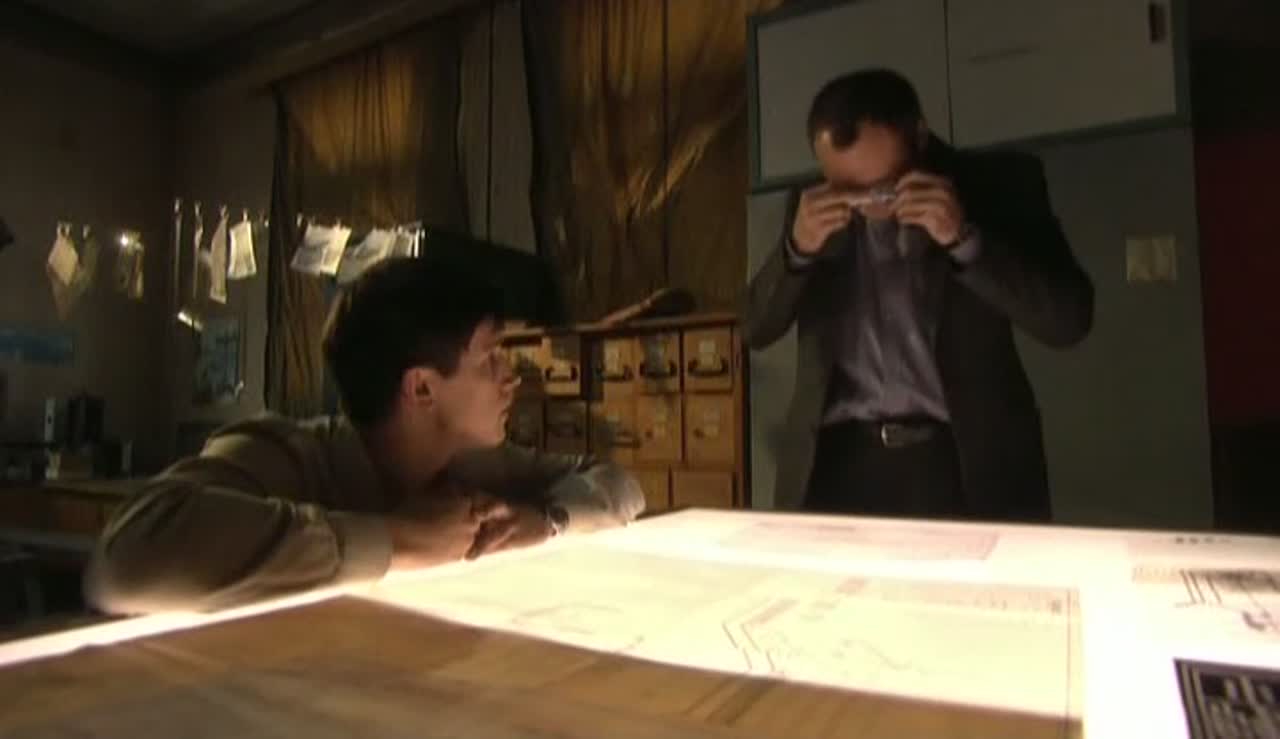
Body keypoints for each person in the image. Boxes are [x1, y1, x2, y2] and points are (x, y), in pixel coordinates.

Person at [85, 258, 644, 614]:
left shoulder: (470, 461)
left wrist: (546, 520)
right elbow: (124, 561)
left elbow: (619, 484)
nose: (511, 377)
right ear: (421, 388)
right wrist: (398, 541)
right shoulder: (285, 453)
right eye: (489, 359)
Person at [743, 68, 1094, 522]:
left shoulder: (998, 185)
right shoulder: (810, 206)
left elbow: (1068, 321)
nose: (871, 206)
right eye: (849, 191)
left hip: (963, 463)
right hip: (836, 465)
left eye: (885, 187)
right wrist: (796, 251)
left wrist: (964, 241)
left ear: (920, 136)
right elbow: (755, 327)